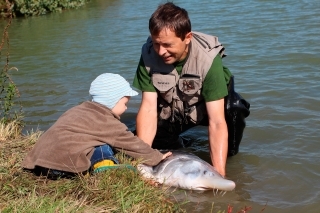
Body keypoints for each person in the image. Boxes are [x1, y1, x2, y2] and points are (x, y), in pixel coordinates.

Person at [132, 2, 250, 177]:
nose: (161, 51)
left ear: (187, 38)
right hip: (172, 109)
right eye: (156, 43)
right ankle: (180, 143)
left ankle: (227, 157)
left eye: (167, 45)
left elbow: (217, 122)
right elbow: (148, 107)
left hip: (204, 108)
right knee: (159, 148)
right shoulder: (149, 54)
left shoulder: (209, 60)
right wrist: (141, 160)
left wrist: (219, 175)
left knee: (233, 107)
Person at [22, 73, 172, 179]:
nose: (126, 108)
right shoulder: (107, 122)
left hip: (39, 163)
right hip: (64, 167)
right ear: (114, 100)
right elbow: (131, 144)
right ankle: (104, 166)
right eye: (125, 103)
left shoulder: (77, 110)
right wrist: (156, 157)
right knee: (103, 146)